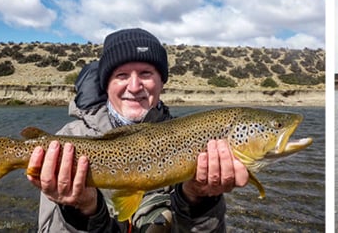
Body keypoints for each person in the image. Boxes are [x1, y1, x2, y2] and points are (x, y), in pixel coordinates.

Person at [26, 28, 248, 231]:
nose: (134, 87)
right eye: (121, 75)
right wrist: (80, 211)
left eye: (145, 74)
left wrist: (200, 201)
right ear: (106, 85)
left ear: (162, 82)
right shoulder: (67, 140)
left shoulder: (197, 138)